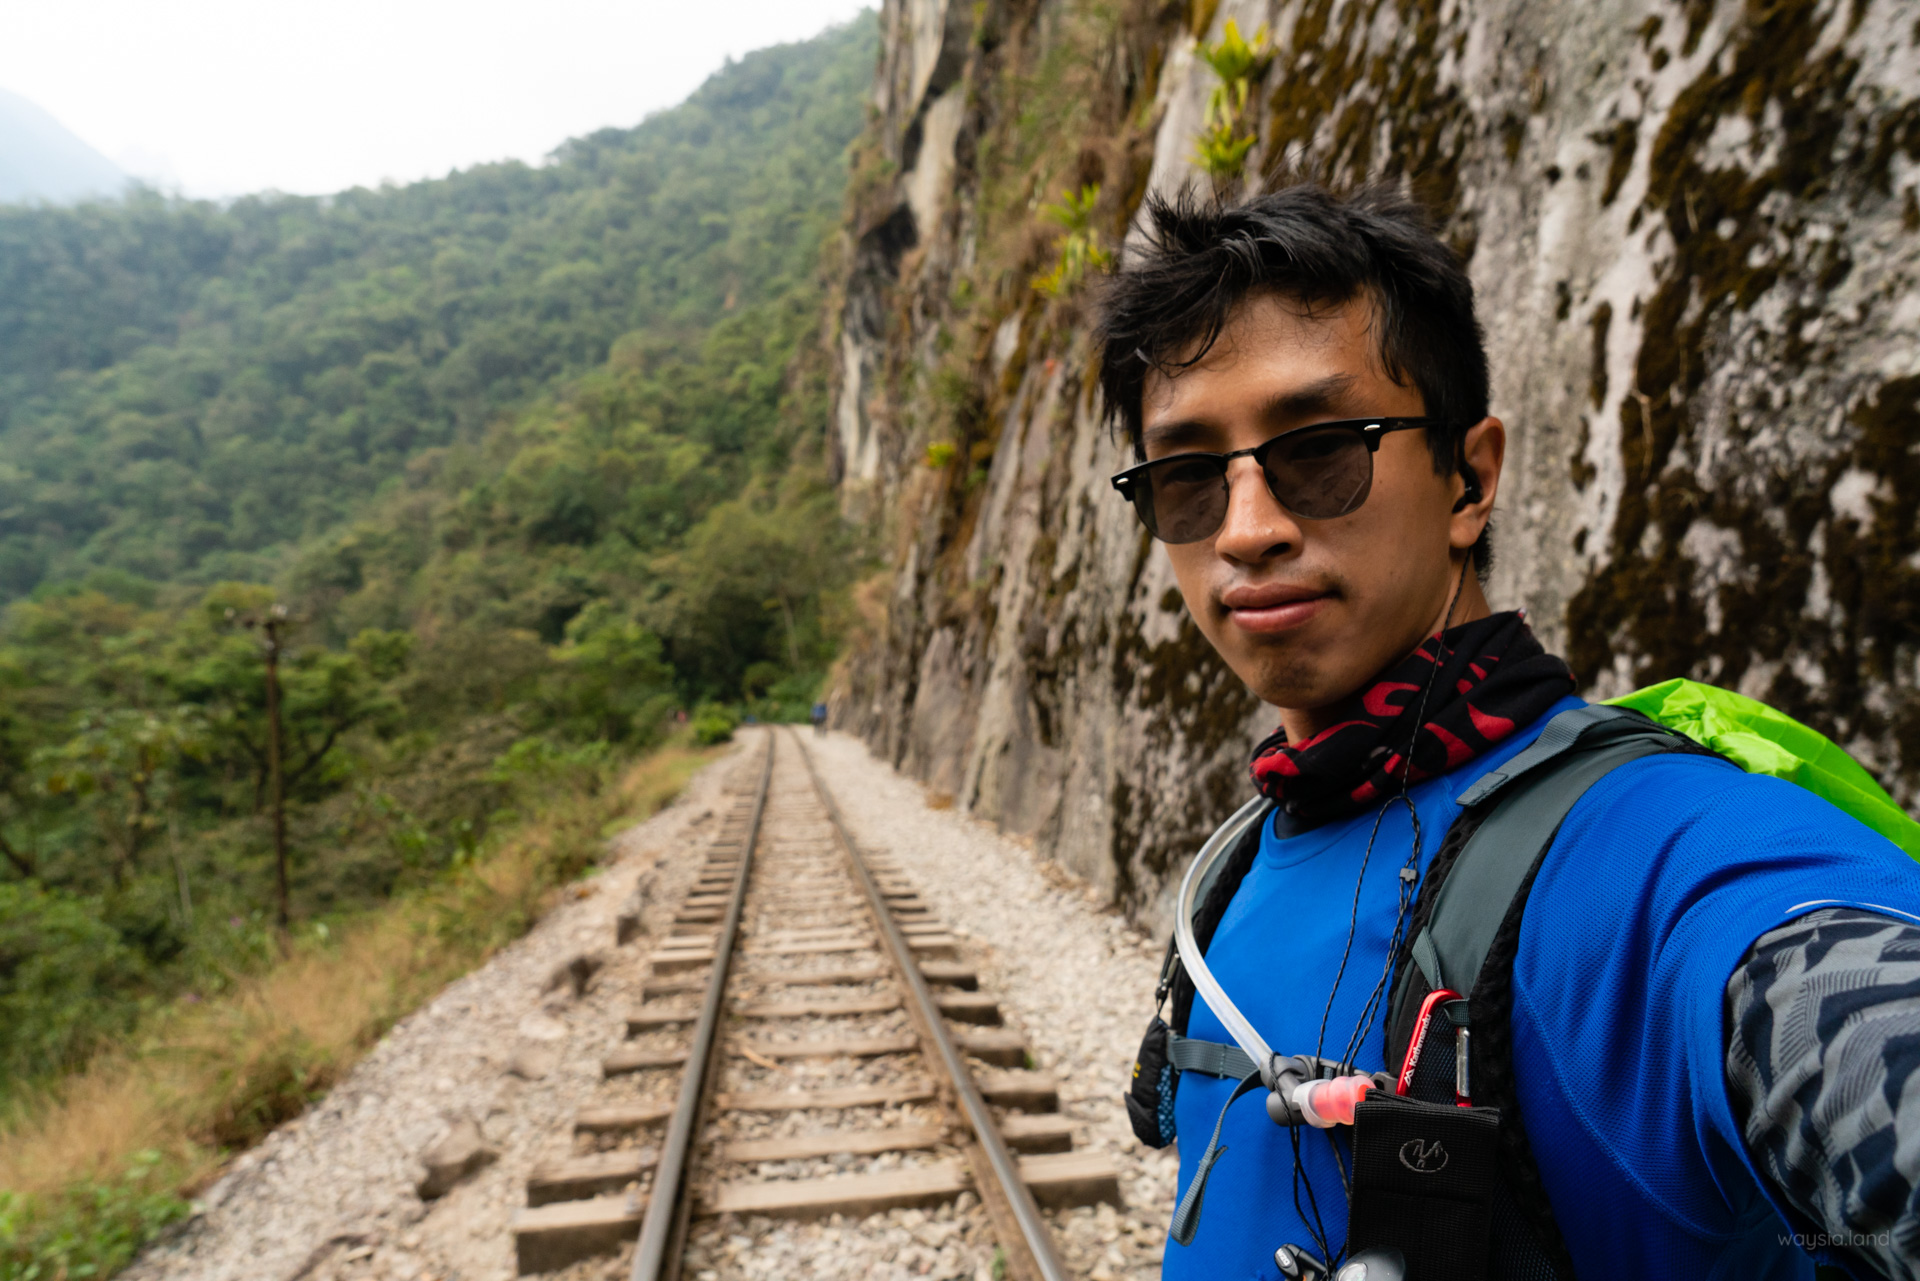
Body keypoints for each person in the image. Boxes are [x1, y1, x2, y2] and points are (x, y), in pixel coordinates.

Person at [1098, 185, 1920, 1279]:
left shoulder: (1653, 850)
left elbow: (1831, 1000)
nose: (1246, 529)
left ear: (1469, 479)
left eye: (1323, 449)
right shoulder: (1246, 854)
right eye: (1189, 478)